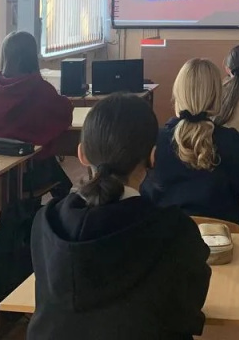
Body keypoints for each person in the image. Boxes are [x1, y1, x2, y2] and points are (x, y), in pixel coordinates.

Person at [28, 93, 211, 340]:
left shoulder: (46, 222)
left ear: (82, 154)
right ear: (152, 156)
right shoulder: (174, 230)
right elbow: (187, 312)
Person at [141, 58, 239, 230]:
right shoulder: (231, 142)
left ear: (177, 94)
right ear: (218, 96)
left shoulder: (151, 142)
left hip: (164, 240)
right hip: (222, 242)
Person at [0, 31, 76, 241]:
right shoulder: (38, 88)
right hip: (28, 170)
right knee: (56, 174)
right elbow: (64, 113)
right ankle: (63, 224)